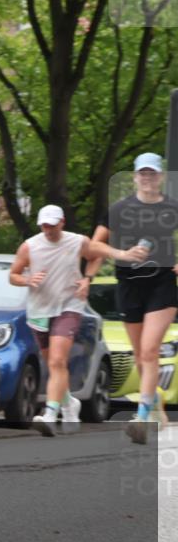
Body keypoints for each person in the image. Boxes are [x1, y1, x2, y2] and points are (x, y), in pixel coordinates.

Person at [9, 204, 145, 437]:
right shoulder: (30, 246)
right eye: (44, 225)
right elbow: (13, 275)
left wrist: (87, 279)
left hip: (69, 306)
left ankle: (50, 413)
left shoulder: (77, 241)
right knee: (51, 362)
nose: (48, 229)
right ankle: (69, 403)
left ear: (62, 222)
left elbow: (97, 255)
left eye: (52, 225)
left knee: (57, 360)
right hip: (40, 310)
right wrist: (28, 280)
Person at [87, 152, 177, 444]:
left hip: (163, 284)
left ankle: (140, 417)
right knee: (141, 354)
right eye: (143, 173)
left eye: (153, 173)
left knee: (150, 350)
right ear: (135, 176)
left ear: (160, 176)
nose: (148, 178)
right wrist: (121, 254)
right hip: (128, 285)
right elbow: (93, 244)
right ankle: (155, 405)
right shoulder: (120, 209)